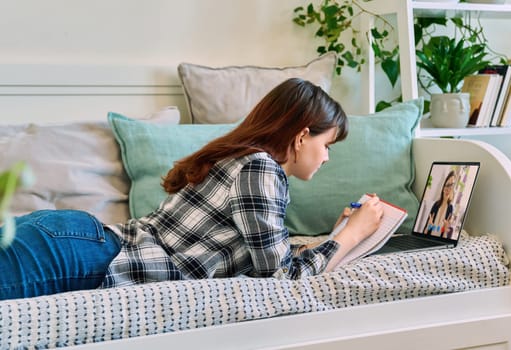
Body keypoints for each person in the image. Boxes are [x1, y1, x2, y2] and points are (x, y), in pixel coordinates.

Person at [0, 78, 383, 300]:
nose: (327, 157)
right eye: (327, 145)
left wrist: (330, 237)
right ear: (302, 136)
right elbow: (281, 280)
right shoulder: (260, 168)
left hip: (78, 239)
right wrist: (351, 236)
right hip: (87, 256)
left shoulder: (242, 158)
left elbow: (268, 255)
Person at [425, 170, 456, 237]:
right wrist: (428, 226)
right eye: (448, 185)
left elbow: (444, 236)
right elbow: (426, 232)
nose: (449, 189)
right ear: (443, 187)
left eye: (451, 186)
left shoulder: (450, 208)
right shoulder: (436, 205)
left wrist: (445, 231)